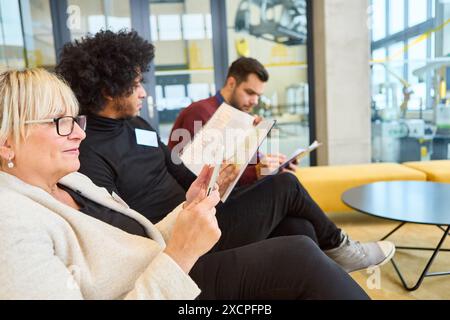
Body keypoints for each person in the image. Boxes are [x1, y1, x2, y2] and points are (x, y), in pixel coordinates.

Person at [0, 68, 370, 300]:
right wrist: (181, 253)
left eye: (76, 120)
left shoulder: (73, 180)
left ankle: (334, 248)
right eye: (59, 122)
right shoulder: (11, 224)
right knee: (296, 244)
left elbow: (138, 232)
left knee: (298, 228)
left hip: (171, 254)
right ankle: (340, 246)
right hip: (173, 273)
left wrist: (192, 202)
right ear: (6, 142)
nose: (79, 134)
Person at [56, 29, 395, 274]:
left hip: (202, 207)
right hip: (187, 234)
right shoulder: (88, 150)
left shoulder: (139, 126)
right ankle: (344, 248)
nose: (144, 92)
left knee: (300, 229)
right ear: (108, 87)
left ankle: (331, 258)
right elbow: (123, 226)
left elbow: (176, 170)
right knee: (286, 187)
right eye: (137, 83)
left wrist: (220, 175)